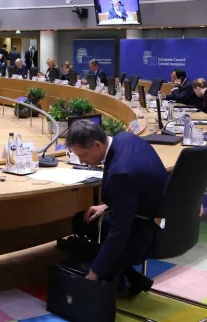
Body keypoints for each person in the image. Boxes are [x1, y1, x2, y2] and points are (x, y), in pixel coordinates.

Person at [67, 120, 167, 294]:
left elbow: (119, 232)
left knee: (84, 225)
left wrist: (94, 273)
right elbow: (137, 186)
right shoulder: (125, 138)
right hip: (160, 216)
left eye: (83, 155)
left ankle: (113, 279)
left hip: (146, 232)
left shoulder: (121, 173)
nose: (82, 161)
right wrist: (107, 205)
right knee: (86, 219)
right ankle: (134, 278)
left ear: (97, 145)